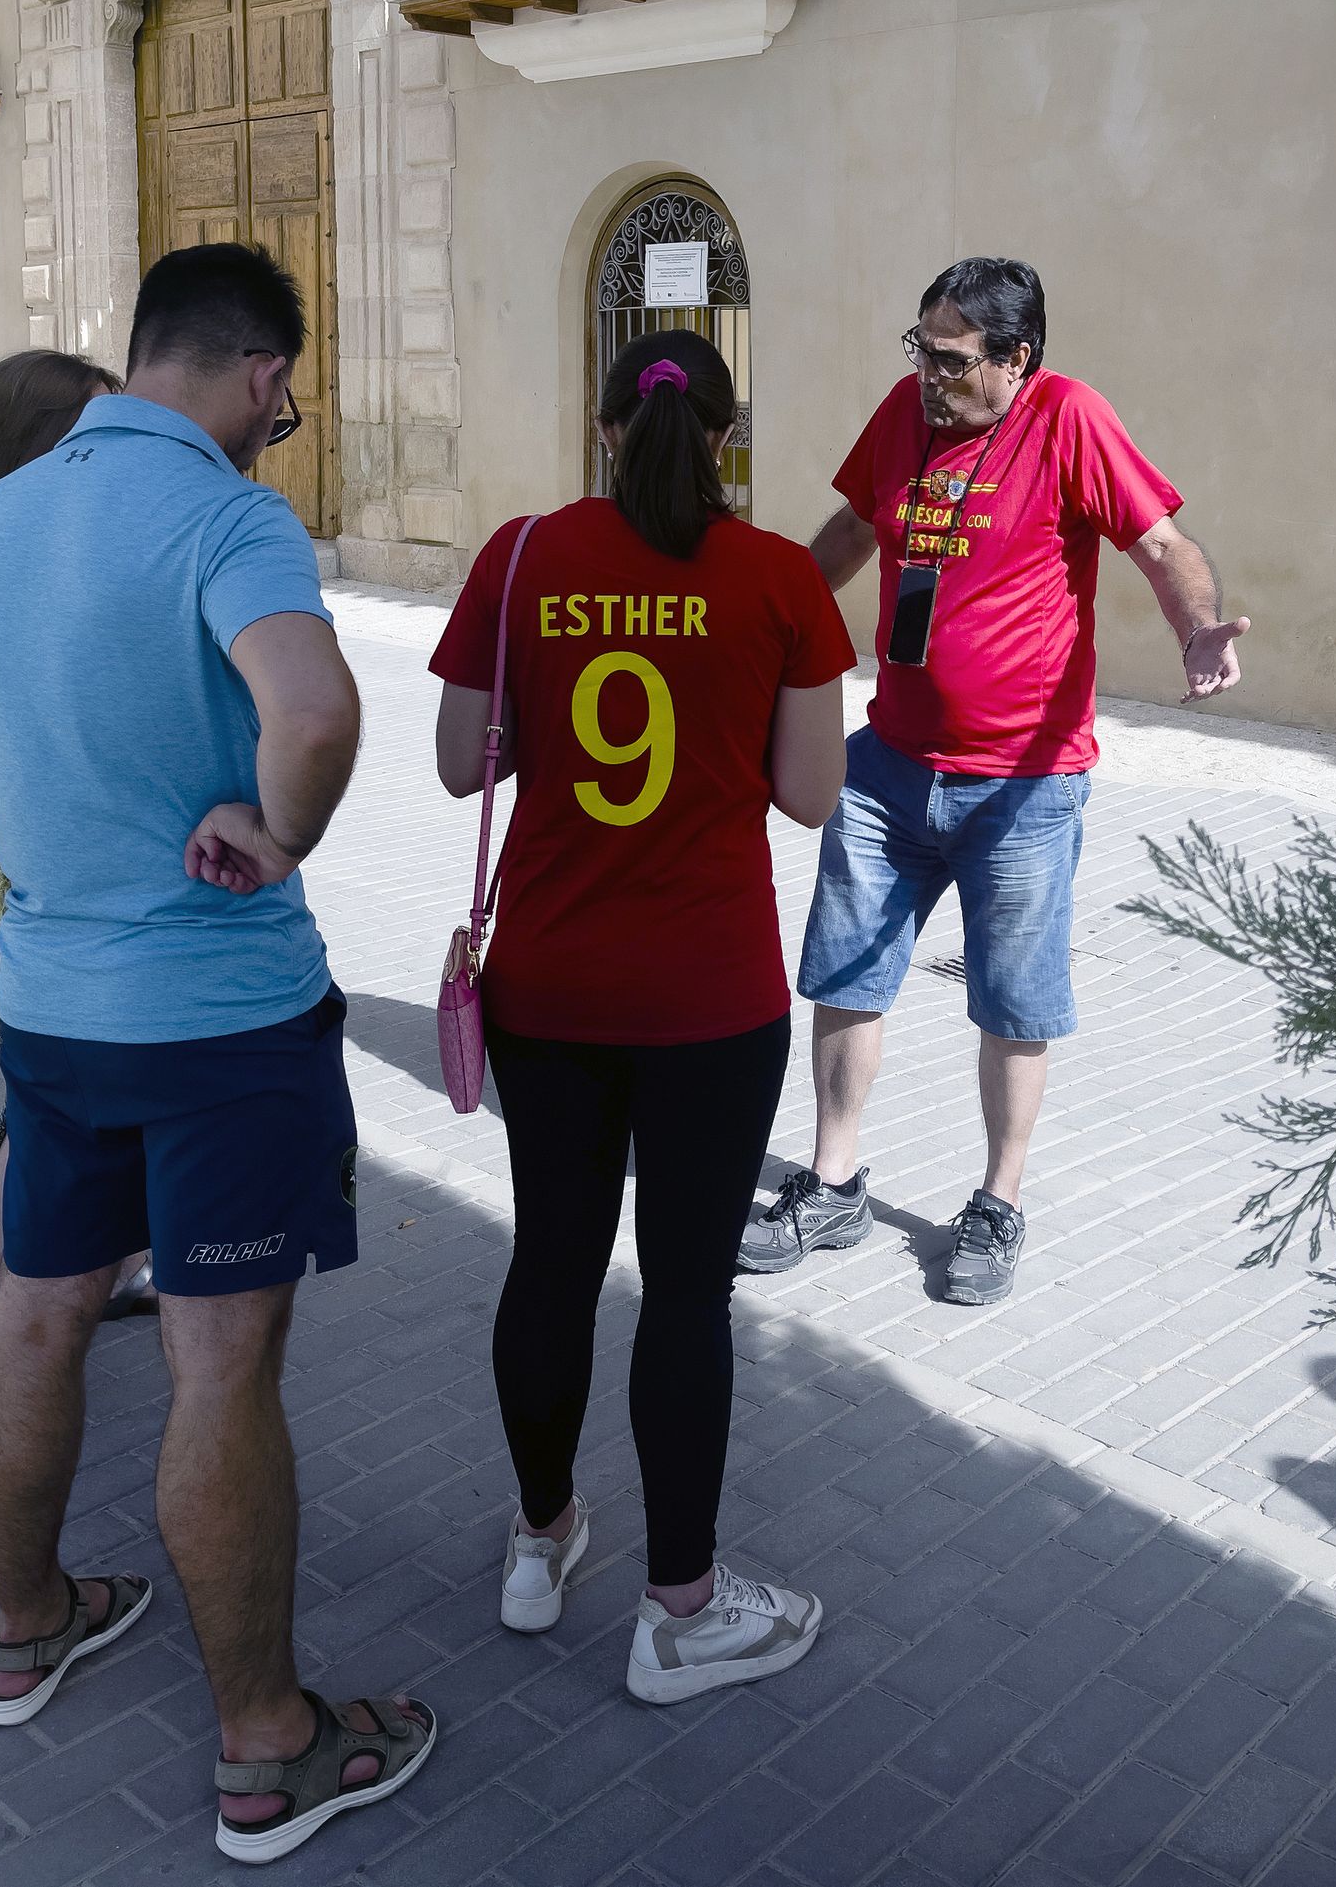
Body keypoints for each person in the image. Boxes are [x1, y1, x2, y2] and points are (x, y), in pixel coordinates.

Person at [0, 243, 434, 1863]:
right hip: (222, 1021)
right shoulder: (227, 513)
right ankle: (269, 1742)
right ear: (264, 377)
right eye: (285, 390)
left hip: (58, 1008)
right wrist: (274, 826)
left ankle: (25, 1624)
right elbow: (322, 706)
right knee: (217, 1360)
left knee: (36, 1312)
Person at [432, 330, 853, 1705]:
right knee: (685, 1290)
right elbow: (807, 798)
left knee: (551, 1263)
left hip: (549, 985)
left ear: (603, 428)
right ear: (723, 439)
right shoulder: (782, 578)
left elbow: (457, 764)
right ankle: (681, 1611)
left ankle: (541, 1538)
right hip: (710, 1000)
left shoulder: (522, 556)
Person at [740, 257, 1250, 1304]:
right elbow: (849, 533)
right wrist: (768, 614)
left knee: (1013, 1004)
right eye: (920, 349)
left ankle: (997, 1200)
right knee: (843, 977)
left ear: (1015, 359)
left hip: (1022, 782)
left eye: (952, 358)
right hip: (884, 767)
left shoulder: (1068, 420)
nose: (928, 372)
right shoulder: (900, 413)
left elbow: (1159, 541)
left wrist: (1198, 626)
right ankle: (831, 1184)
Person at [0, 349, 151, 1387]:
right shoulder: (64, 561)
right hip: (40, 875)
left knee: (38, 1112)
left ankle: (65, 1288)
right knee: (38, 1123)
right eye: (102, 431)